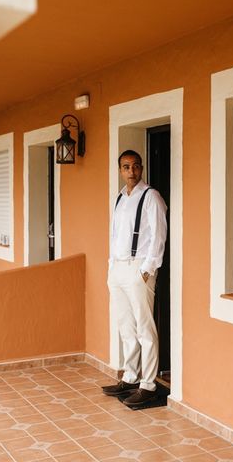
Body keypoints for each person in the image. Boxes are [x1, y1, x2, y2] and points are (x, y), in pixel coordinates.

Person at [103, 149, 167, 407]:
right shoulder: (120, 198)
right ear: (120, 170)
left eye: (135, 166)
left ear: (141, 169)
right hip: (117, 269)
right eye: (126, 167)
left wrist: (147, 269)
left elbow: (159, 236)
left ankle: (149, 384)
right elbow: (115, 235)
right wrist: (110, 267)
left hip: (138, 268)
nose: (131, 171)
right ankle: (130, 377)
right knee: (126, 326)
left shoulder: (151, 197)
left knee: (144, 327)